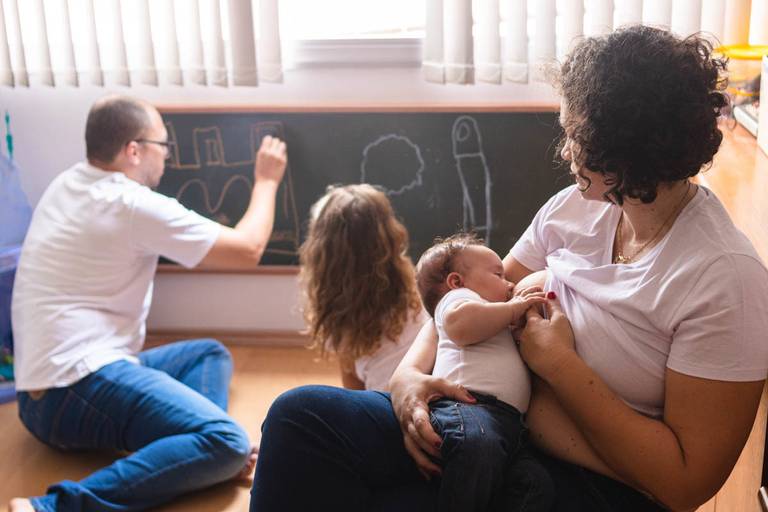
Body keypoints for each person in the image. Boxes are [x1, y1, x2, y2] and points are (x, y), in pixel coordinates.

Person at [250, 26, 768, 512]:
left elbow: (683, 484)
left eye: (575, 137)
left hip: (586, 481)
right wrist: (409, 374)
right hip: (490, 418)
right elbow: (473, 293)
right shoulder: (576, 205)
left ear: (623, 152)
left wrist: (557, 367)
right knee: (301, 419)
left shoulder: (724, 279)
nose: (566, 151)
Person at [10, 95, 288, 512]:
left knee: (208, 354)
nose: (167, 157)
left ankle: (198, 448)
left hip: (41, 390)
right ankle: (51, 508)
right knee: (229, 443)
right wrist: (266, 180)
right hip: (68, 391)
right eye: (163, 145)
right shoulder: (131, 204)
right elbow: (248, 248)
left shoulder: (67, 182)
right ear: (133, 150)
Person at [414, 233, 550, 511]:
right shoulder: (458, 300)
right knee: (478, 448)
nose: (509, 283)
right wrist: (512, 309)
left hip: (509, 426)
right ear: (456, 282)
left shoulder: (491, 315)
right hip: (468, 409)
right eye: (498, 274)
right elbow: (461, 326)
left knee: (536, 484)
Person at [299, 184, 427, 391]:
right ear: (390, 237)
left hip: (383, 409)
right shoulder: (419, 289)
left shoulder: (335, 310)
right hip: (432, 399)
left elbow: (354, 391)